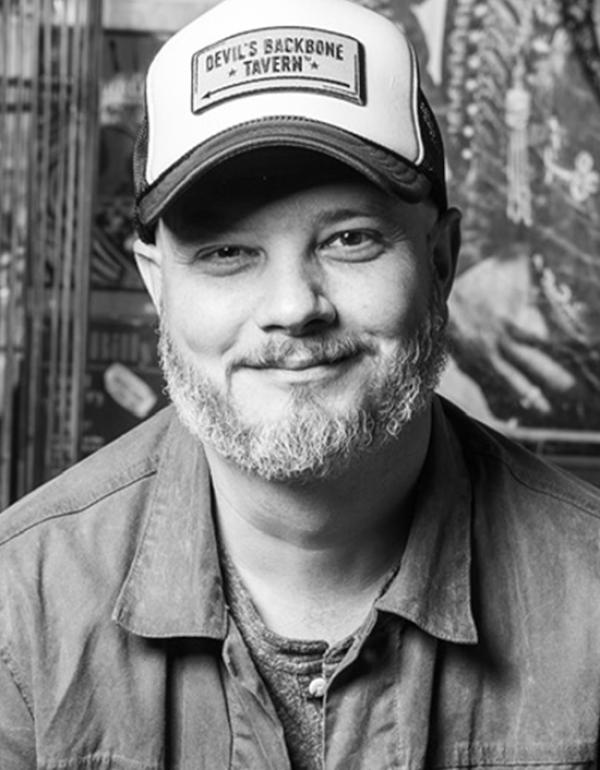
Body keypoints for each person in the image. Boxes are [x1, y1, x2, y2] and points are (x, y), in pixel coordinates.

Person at [2, 0, 600, 767]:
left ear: (441, 261)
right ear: (158, 285)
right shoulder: (20, 615)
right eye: (225, 252)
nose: (293, 309)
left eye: (350, 238)